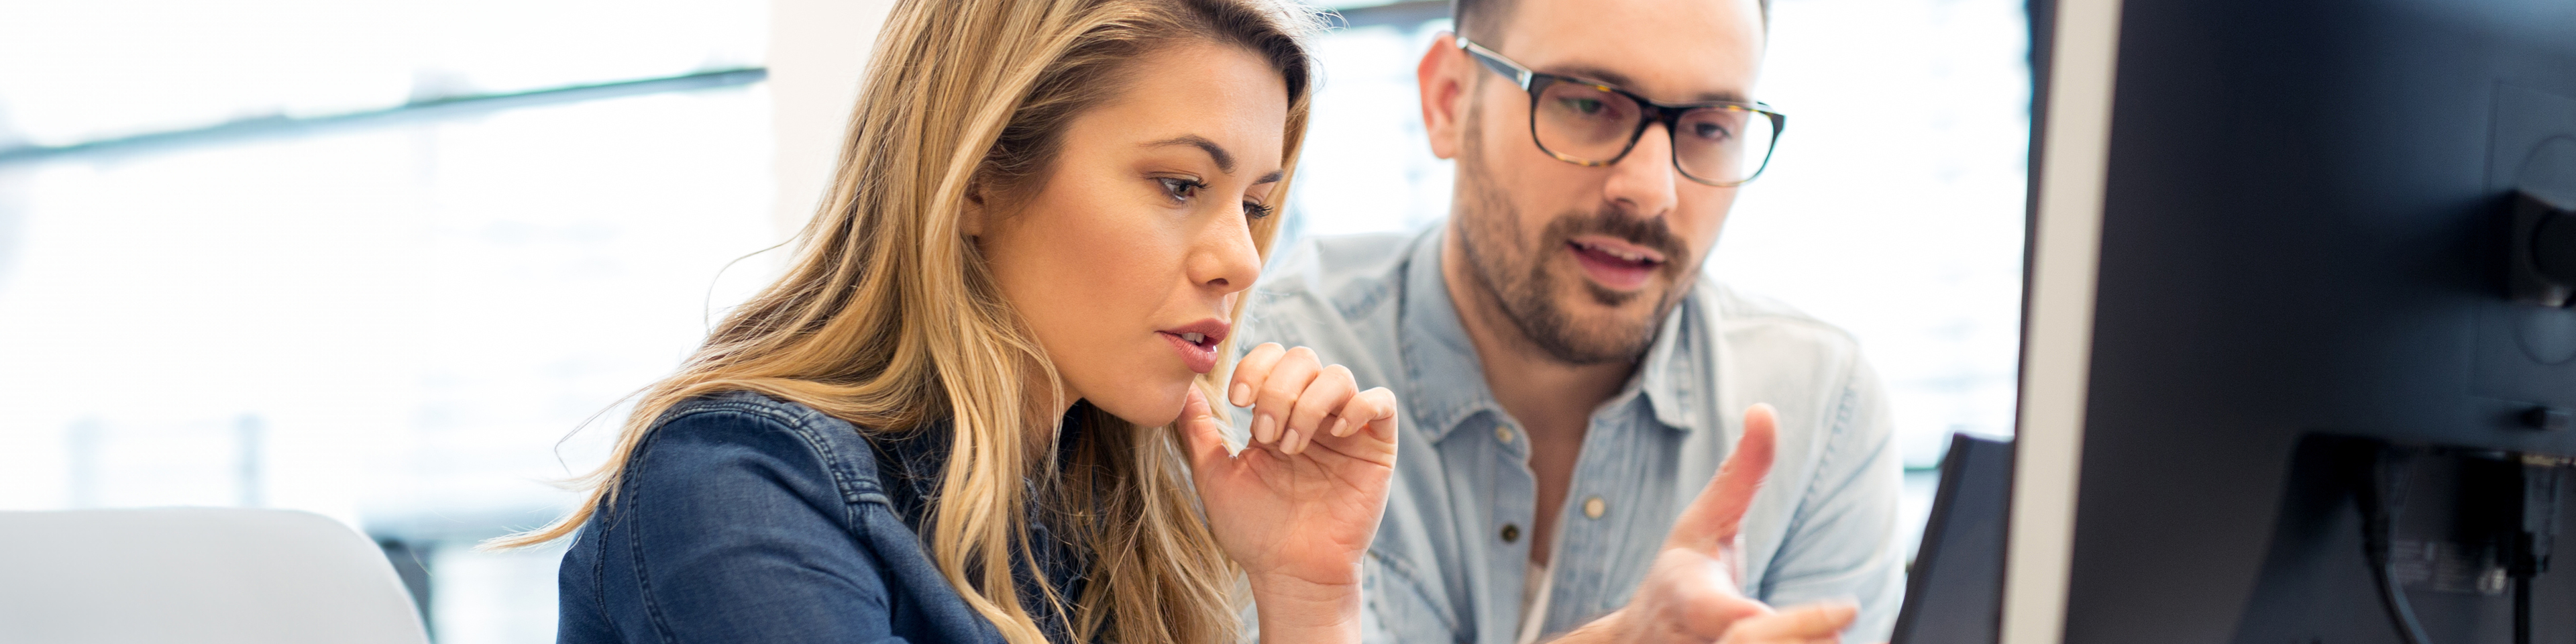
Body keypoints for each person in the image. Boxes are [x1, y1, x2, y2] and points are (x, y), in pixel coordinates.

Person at [486, 1, 1413, 642]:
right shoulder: (737, 489)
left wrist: (1307, 598)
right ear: (975, 175)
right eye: (1179, 186)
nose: (1242, 261)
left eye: (1254, 204)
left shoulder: (1111, 526)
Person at [1230, 0, 1902, 641]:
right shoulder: (1259, 369)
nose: (1652, 190)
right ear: (1450, 101)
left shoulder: (1822, 414)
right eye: (1587, 103)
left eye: (1708, 128)